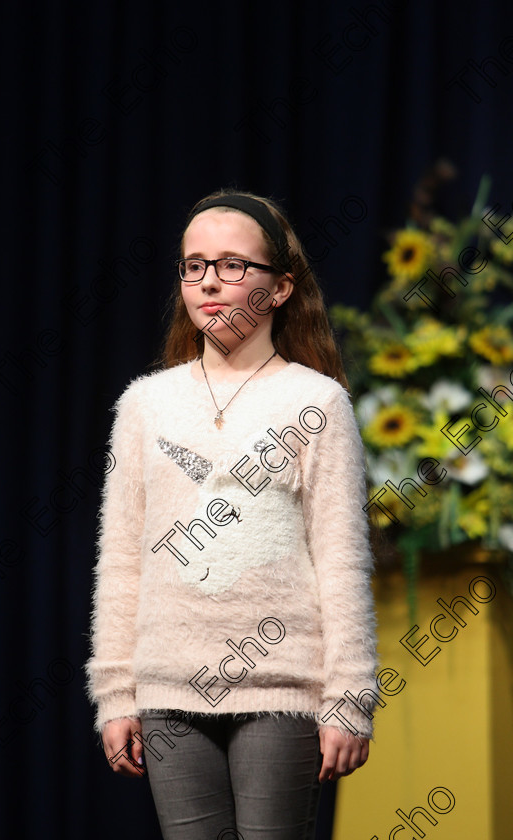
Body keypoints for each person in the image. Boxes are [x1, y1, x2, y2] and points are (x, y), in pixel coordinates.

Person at [85, 189, 379, 840]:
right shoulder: (144, 405)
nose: (209, 282)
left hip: (281, 688)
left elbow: (341, 557)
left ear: (280, 288)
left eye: (232, 265)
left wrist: (350, 696)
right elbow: (122, 557)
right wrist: (114, 693)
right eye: (194, 265)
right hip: (169, 690)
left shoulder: (318, 404)